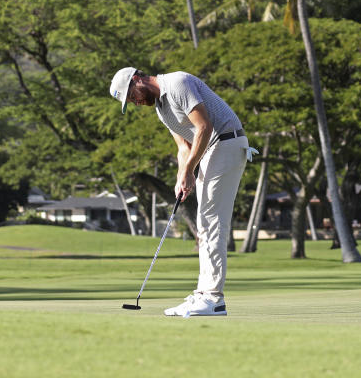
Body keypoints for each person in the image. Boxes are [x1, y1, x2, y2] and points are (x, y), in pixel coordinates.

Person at [109, 67, 257, 317]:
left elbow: (204, 127)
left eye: (131, 96)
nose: (135, 102)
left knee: (211, 222)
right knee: (204, 223)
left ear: (137, 79)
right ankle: (203, 294)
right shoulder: (161, 109)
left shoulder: (177, 83)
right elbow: (183, 147)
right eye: (130, 101)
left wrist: (190, 170)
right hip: (212, 150)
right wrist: (182, 176)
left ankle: (212, 298)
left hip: (226, 142)